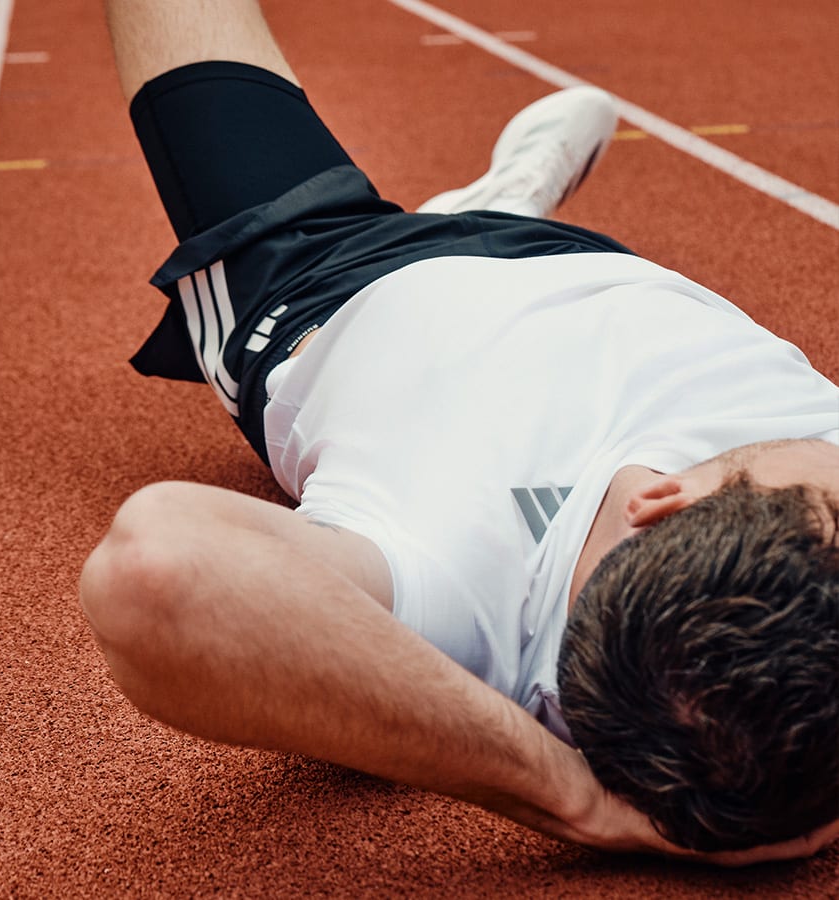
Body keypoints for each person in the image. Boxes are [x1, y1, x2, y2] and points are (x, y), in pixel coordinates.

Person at [80, 0, 839, 866]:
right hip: (576, 259)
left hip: (325, 276)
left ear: (660, 500)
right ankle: (505, 202)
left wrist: (572, 799)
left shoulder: (459, 606)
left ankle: (466, 210)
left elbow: (156, 573)